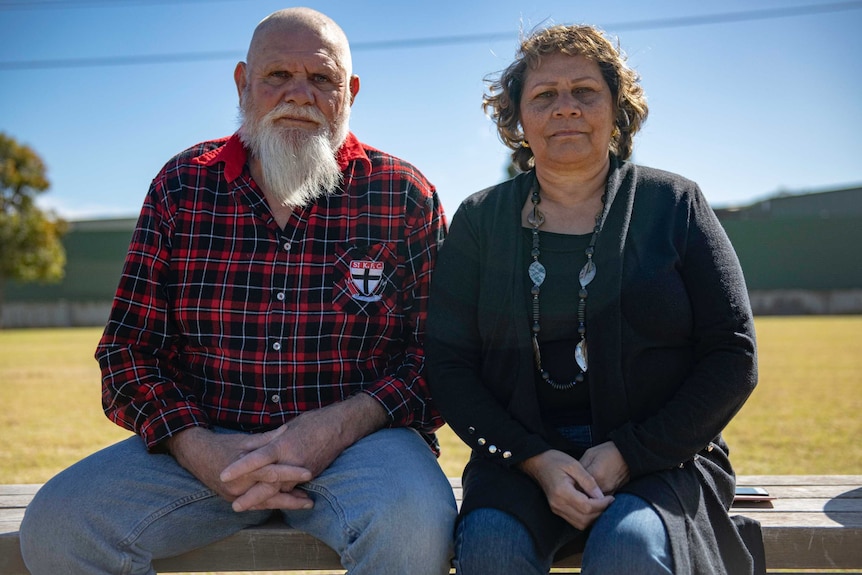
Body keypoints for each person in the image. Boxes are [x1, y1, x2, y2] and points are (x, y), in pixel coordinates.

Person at [19, 7, 456, 574]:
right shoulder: (182, 186)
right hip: (204, 448)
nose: (299, 94)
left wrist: (336, 427)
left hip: (362, 449)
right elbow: (128, 353)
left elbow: (440, 358)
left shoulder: (403, 195)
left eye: (321, 79)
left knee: (414, 528)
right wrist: (197, 447)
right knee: (58, 525)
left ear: (350, 92)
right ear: (242, 82)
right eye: (278, 76)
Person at [426, 24, 764, 575]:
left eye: (585, 91)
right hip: (520, 460)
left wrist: (630, 455)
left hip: (663, 458)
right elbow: (449, 364)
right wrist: (535, 460)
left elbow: (733, 354)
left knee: (630, 547)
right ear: (517, 118)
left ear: (616, 108)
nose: (566, 108)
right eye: (544, 96)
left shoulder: (674, 203)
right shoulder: (480, 220)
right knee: (489, 546)